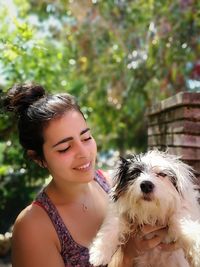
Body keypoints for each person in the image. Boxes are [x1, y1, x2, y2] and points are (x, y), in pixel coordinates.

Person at [3, 83, 178, 267]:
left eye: (86, 138)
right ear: (39, 158)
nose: (84, 153)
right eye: (65, 148)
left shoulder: (119, 185)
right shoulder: (33, 227)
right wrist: (126, 255)